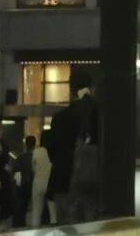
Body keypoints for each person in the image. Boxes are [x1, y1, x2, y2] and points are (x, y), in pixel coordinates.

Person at [47, 70, 101, 223]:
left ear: (70, 91)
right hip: (92, 180)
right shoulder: (98, 114)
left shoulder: (59, 117)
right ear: (92, 89)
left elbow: (52, 151)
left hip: (63, 180)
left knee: (67, 228)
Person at [28, 131, 54, 227]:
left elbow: (32, 168)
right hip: (50, 183)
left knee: (36, 213)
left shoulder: (36, 152)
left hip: (37, 183)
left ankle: (35, 231)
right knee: (53, 213)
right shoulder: (53, 152)